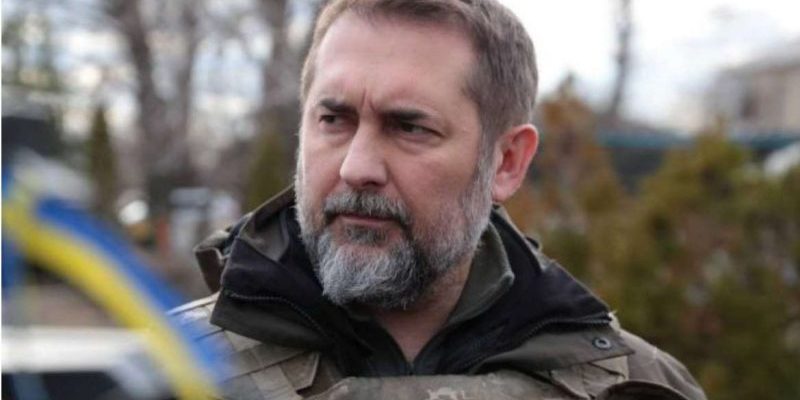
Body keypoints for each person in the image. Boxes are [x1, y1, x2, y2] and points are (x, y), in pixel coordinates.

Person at [172, 1, 707, 399]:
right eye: (334, 119)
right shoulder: (171, 370)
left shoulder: (636, 387)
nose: (357, 167)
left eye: (409, 127)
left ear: (506, 162)